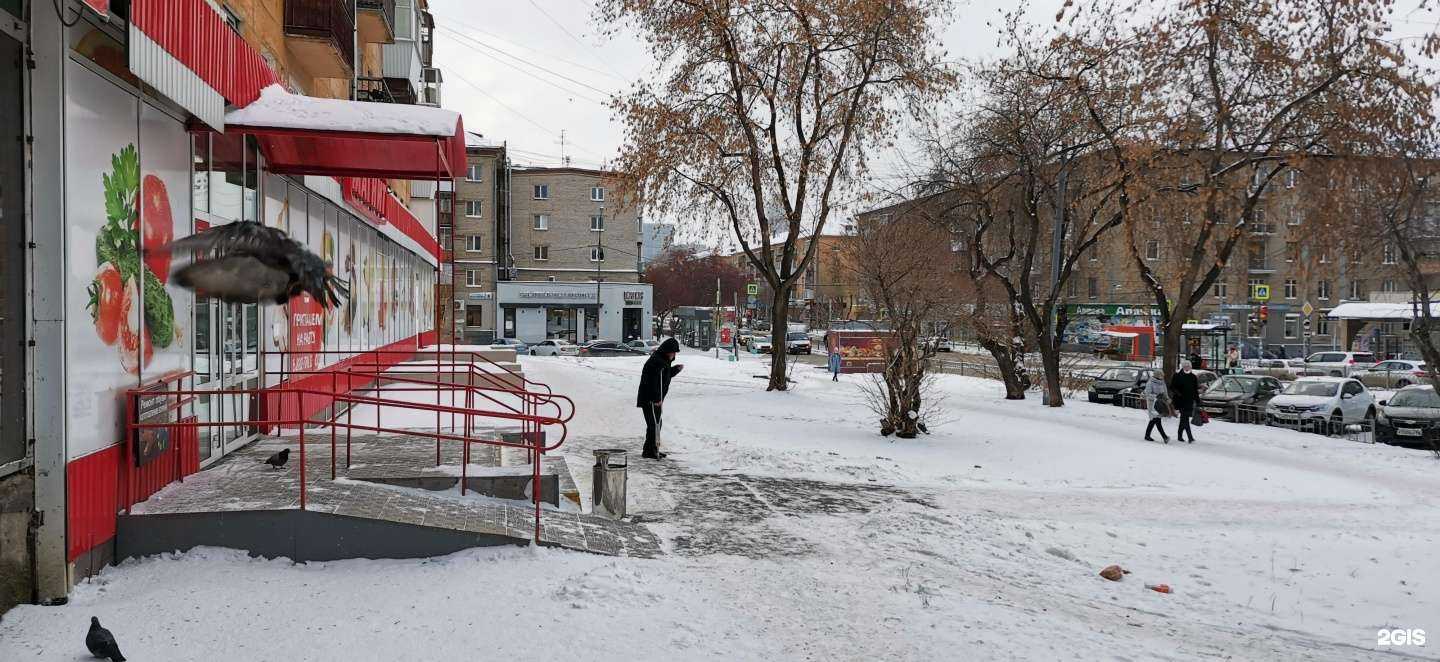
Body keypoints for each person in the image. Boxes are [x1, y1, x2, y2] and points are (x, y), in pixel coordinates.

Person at [636, 337, 683, 459]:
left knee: (656, 424)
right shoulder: (657, 362)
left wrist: (675, 370)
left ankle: (652, 449)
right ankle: (649, 451)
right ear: (667, 351)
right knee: (654, 424)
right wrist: (656, 399)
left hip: (655, 399)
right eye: (673, 352)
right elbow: (652, 382)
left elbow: (665, 376)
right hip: (649, 399)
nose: (674, 355)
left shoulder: (663, 361)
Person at [1169, 361, 1199, 443]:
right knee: (1185, 418)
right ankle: (1190, 437)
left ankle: (1179, 436)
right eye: (1185, 366)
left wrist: (1198, 401)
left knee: (1183, 419)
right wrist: (1178, 393)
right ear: (1182, 367)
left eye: (1188, 366)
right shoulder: (1177, 375)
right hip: (1180, 401)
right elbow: (1172, 387)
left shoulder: (1193, 377)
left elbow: (1195, 390)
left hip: (1189, 401)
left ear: (1190, 367)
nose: (1187, 367)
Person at [1143, 372, 1171, 443]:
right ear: (1157, 375)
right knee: (1156, 420)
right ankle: (1165, 437)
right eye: (1161, 375)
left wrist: (1167, 398)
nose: (1162, 376)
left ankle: (1147, 435)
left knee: (1154, 420)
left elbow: (1165, 392)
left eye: (1162, 375)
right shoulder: (1150, 382)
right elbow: (1147, 394)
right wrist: (1156, 396)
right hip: (1152, 404)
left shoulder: (1162, 383)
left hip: (1160, 404)